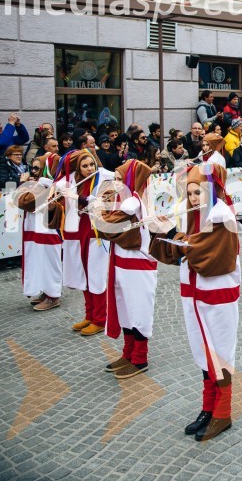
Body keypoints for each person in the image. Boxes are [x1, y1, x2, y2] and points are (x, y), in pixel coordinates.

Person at [149, 163, 239, 441]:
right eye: (189, 193)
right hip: (195, 292)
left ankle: (223, 412)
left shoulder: (222, 215)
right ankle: (208, 407)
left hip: (217, 296)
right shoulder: (196, 216)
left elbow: (200, 251)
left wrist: (170, 234)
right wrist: (159, 231)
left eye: (198, 192)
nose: (193, 198)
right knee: (203, 351)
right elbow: (182, 250)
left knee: (219, 352)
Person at [96, 160, 159, 379]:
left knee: (138, 311)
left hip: (137, 266)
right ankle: (128, 352)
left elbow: (106, 226)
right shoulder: (124, 199)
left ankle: (140, 358)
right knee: (125, 310)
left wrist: (97, 206)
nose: (115, 183)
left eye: (120, 179)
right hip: (122, 263)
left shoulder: (133, 201)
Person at [51, 149, 115, 334]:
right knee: (84, 275)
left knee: (96, 275)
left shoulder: (102, 179)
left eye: (92, 165)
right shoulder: (74, 181)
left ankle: (100, 319)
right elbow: (55, 183)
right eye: (85, 166)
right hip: (79, 233)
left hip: (96, 234)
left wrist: (78, 197)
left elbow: (104, 202)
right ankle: (89, 316)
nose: (89, 168)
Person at [13, 152, 63, 310]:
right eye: (32, 168)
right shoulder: (40, 184)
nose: (32, 172)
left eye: (36, 168)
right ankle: (46, 292)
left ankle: (53, 296)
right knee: (38, 260)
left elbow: (23, 201)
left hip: (47, 231)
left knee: (48, 262)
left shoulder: (47, 185)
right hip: (36, 230)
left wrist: (23, 183)